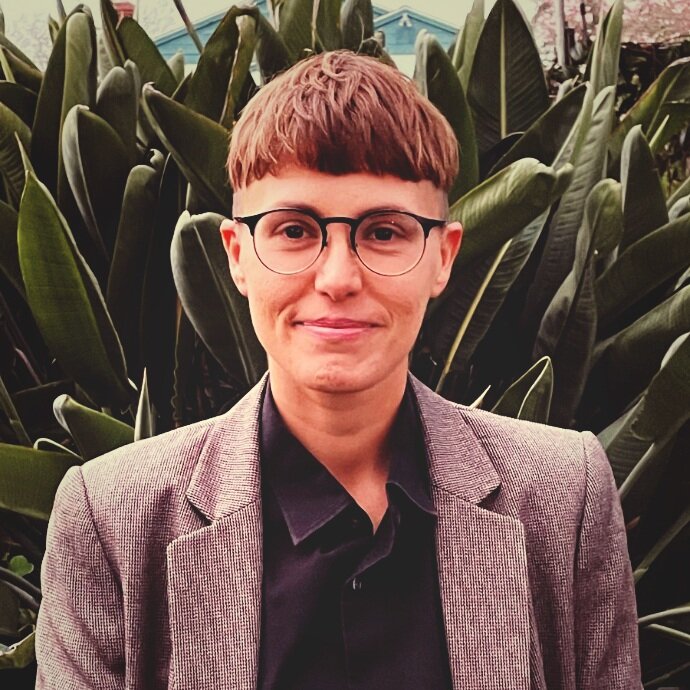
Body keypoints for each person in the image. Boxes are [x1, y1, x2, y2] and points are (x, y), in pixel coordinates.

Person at [35, 50, 640, 689]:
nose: (339, 278)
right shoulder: (112, 519)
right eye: (295, 230)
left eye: (384, 232)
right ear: (238, 257)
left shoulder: (561, 495)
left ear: (443, 256)